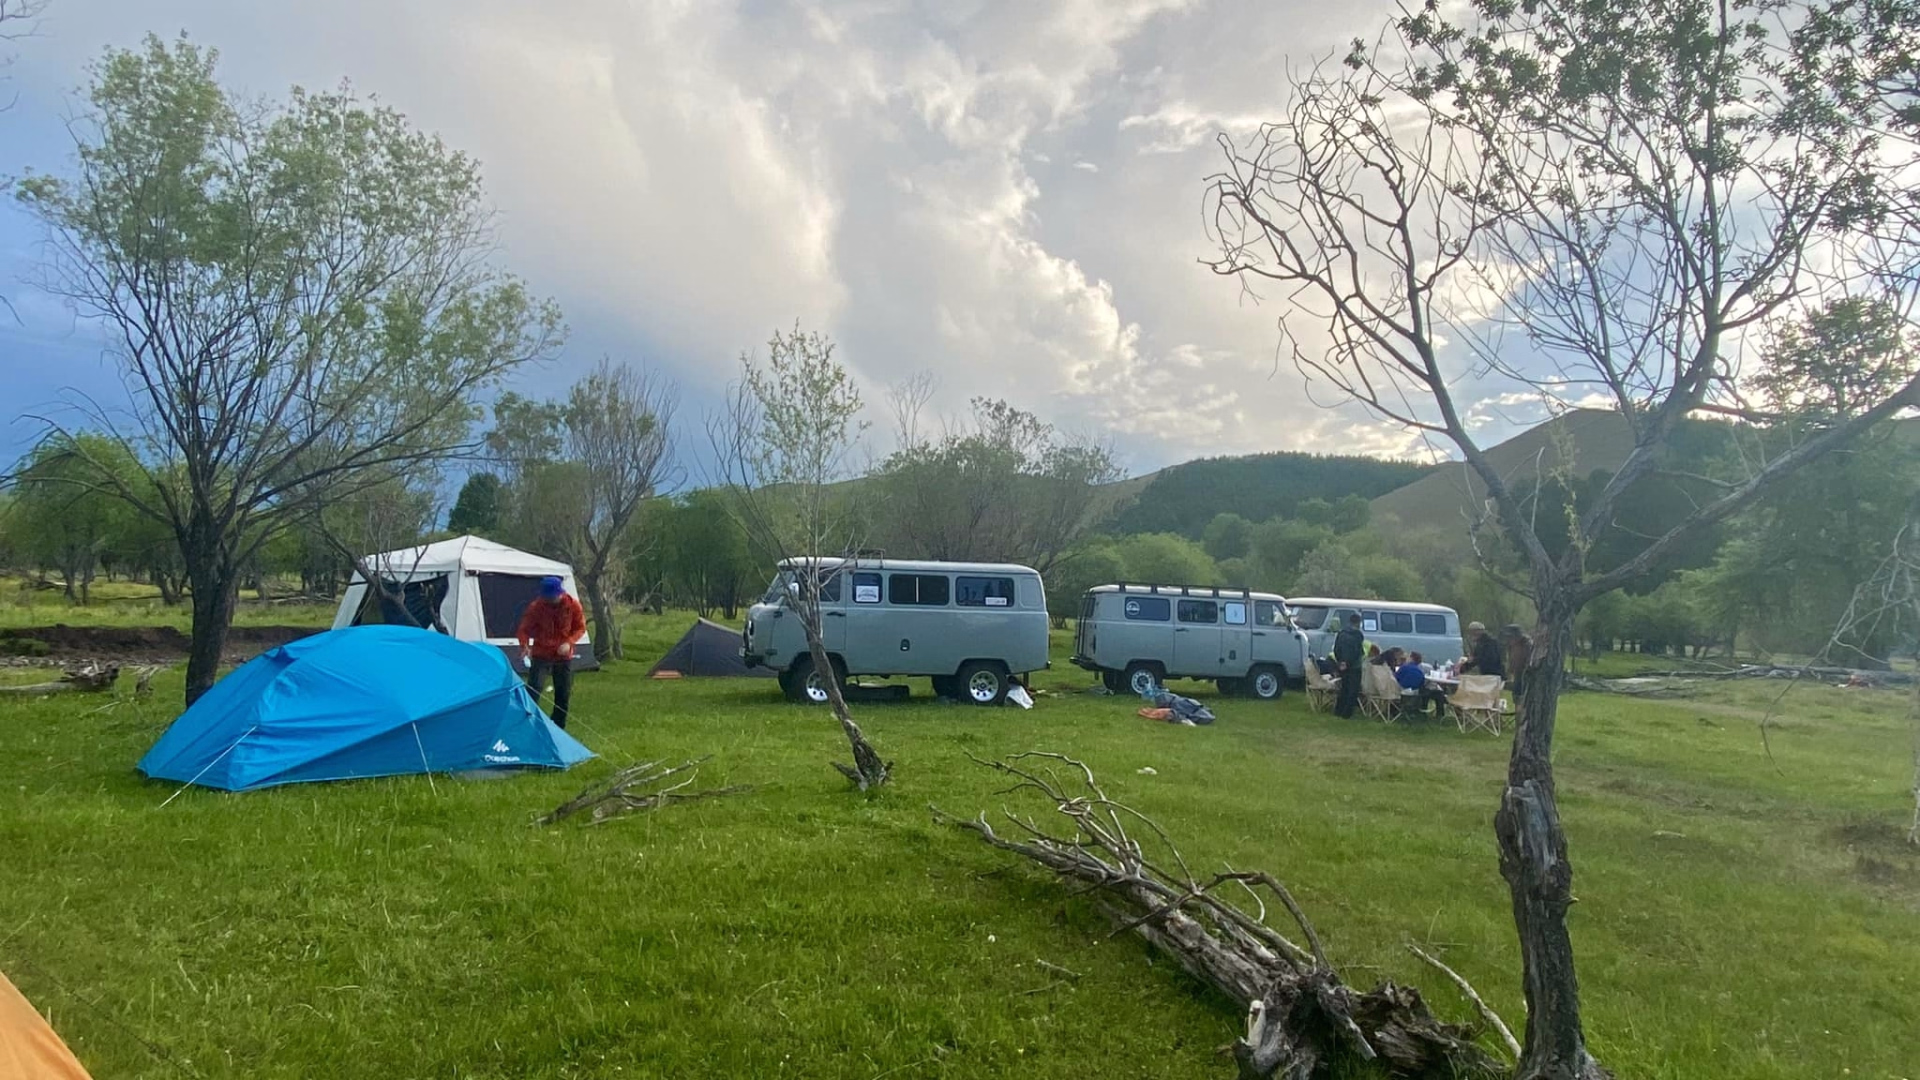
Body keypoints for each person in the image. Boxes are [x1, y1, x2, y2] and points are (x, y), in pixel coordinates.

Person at [515, 575, 587, 729]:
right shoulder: (536, 607)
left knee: (563, 693)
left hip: (563, 655)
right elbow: (524, 629)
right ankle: (526, 723)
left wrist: (569, 642)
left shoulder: (573, 605)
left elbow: (580, 627)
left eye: (551, 597)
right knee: (534, 688)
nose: (548, 600)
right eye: (546, 597)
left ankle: (558, 726)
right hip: (541, 653)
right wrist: (524, 645)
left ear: (560, 593)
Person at [1396, 649, 1448, 718]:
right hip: (1416, 693)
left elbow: (1396, 678)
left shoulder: (1404, 667)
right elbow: (1422, 682)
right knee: (1438, 693)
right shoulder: (1419, 670)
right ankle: (1439, 714)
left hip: (1403, 693)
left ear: (1411, 658)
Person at [1332, 612, 1365, 718]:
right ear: (1358, 622)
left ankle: (1338, 710)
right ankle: (1347, 713)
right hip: (1354, 666)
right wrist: (1348, 662)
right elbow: (1356, 651)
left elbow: (1336, 649)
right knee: (1353, 690)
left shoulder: (1341, 633)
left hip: (1342, 664)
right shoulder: (1358, 635)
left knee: (1343, 688)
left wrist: (1341, 661)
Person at [1501, 624, 1532, 700]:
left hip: (1526, 672)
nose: (1510, 639)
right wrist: (1510, 670)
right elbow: (1511, 658)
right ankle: (1518, 708)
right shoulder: (1511, 645)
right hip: (1517, 671)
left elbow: (1529, 658)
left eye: (1511, 636)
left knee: (1524, 693)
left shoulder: (1527, 644)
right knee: (1516, 693)